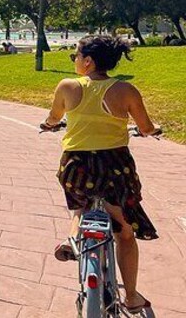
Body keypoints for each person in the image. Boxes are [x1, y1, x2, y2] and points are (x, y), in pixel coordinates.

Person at [40, 35, 157, 314]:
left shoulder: (67, 87)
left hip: (76, 167)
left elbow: (54, 118)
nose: (75, 61)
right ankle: (130, 296)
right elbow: (146, 126)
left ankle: (73, 238)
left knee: (80, 203)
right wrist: (150, 132)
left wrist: (48, 125)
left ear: (88, 61)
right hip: (114, 167)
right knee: (124, 232)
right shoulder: (126, 90)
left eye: (76, 56)